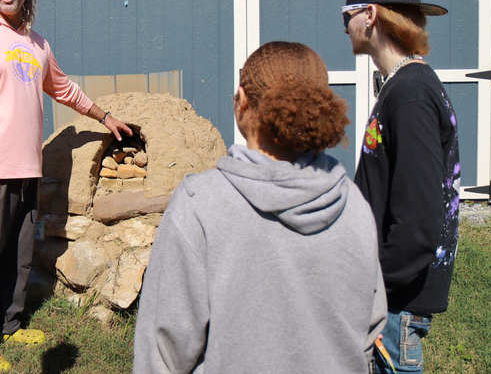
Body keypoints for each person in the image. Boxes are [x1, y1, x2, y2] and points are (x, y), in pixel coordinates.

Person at [133, 41, 387, 373]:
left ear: (241, 101)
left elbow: (164, 350)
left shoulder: (200, 205)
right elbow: (371, 326)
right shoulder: (352, 203)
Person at [0, 0, 132, 373]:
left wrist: (105, 118)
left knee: (18, 252)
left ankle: (10, 324)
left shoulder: (37, 44)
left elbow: (64, 89)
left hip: (28, 167)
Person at [343, 0, 460, 374]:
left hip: (393, 308)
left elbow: (418, 220)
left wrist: (374, 289)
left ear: (370, 15)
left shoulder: (411, 93)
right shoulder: (404, 85)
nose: (346, 28)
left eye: (346, 17)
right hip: (391, 302)